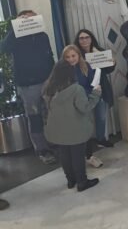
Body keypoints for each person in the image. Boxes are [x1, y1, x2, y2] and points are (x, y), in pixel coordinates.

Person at [0, 10, 57, 164]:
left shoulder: (42, 36)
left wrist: (53, 78)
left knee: (51, 114)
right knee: (34, 117)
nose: (28, 21)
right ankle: (42, 150)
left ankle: (54, 142)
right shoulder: (15, 39)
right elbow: (3, 48)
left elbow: (49, 55)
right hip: (27, 85)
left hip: (47, 81)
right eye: (25, 19)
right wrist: (15, 28)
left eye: (31, 18)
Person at [42, 57, 101, 192]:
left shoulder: (48, 89)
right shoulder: (76, 89)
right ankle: (82, 182)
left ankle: (70, 180)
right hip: (75, 128)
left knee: (65, 155)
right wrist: (96, 93)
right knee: (77, 155)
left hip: (57, 129)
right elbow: (85, 107)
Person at [61, 44, 106, 168]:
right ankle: (76, 159)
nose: (71, 59)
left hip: (84, 103)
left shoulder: (85, 66)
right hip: (70, 106)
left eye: (73, 56)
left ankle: (89, 156)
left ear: (78, 55)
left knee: (86, 131)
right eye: (67, 57)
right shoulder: (61, 71)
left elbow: (91, 84)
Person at [73, 29, 114, 149]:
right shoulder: (76, 54)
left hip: (99, 89)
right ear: (78, 40)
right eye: (81, 38)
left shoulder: (99, 51)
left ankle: (101, 139)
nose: (84, 40)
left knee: (101, 116)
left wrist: (111, 61)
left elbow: (109, 69)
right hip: (83, 90)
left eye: (87, 37)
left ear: (91, 38)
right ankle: (86, 143)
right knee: (84, 118)